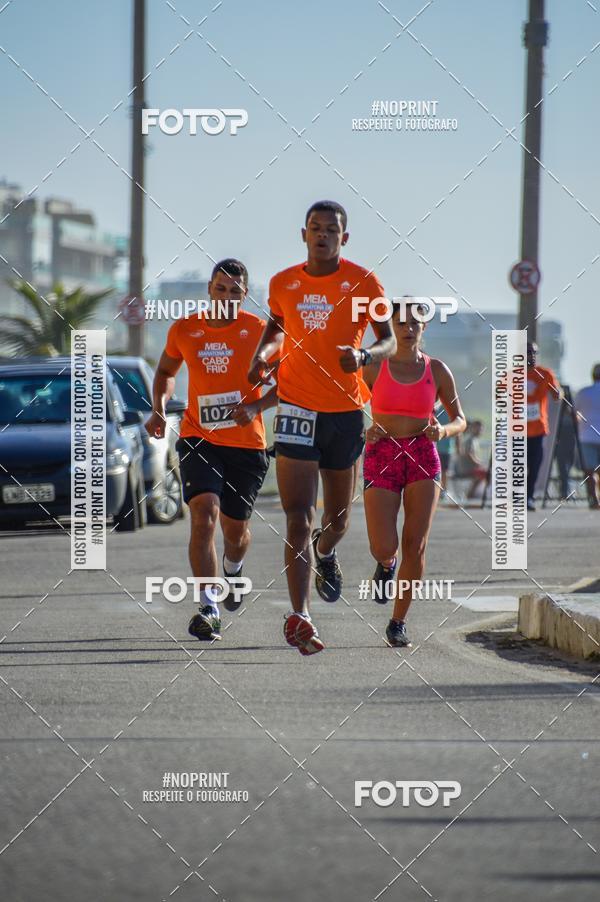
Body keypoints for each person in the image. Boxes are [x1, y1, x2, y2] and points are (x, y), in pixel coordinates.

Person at [248, 200, 396, 655]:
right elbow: (275, 326)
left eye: (331, 229)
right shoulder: (283, 282)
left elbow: (388, 338)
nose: (323, 235)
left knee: (337, 520)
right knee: (297, 515)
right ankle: (300, 615)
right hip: (295, 407)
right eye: (315, 228)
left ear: (344, 238)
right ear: (304, 233)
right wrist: (262, 355)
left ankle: (325, 552)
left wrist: (366, 357)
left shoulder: (364, 281)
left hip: (346, 411)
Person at [145, 259, 281, 641]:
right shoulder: (186, 328)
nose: (226, 297)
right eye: (220, 289)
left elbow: (290, 383)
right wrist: (158, 408)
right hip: (198, 437)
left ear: (244, 295)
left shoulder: (260, 333)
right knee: (204, 513)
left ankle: (233, 569)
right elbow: (166, 372)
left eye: (235, 291)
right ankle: (208, 606)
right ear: (209, 289)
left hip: (247, 444)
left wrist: (255, 407)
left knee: (235, 531)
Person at [362, 301, 466, 647]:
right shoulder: (374, 366)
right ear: (390, 327)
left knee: (415, 544)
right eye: (401, 323)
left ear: (424, 329)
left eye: (415, 324)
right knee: (384, 545)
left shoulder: (436, 370)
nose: (408, 329)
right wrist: (367, 430)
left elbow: (459, 419)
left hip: (422, 453)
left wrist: (444, 432)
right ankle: (385, 563)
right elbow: (349, 404)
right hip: (383, 453)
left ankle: (398, 621)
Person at [526, 342, 561, 511]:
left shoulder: (545, 373)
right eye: (527, 352)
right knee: (517, 464)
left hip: (538, 429)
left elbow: (557, 394)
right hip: (516, 429)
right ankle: (517, 497)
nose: (530, 355)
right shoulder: (512, 375)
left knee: (535, 464)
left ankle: (529, 497)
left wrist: (557, 393)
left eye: (533, 352)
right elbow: (499, 395)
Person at [575, 363, 600, 509]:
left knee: (590, 471)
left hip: (586, 436)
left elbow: (574, 412)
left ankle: (594, 499)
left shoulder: (583, 392)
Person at [454, 420, 488, 499]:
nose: (479, 431)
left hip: (470, 468)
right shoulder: (470, 440)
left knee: (485, 472)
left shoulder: (473, 440)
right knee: (486, 473)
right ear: (473, 428)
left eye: (481, 429)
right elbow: (469, 455)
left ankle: (474, 495)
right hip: (466, 469)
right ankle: (470, 496)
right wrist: (480, 464)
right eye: (478, 428)